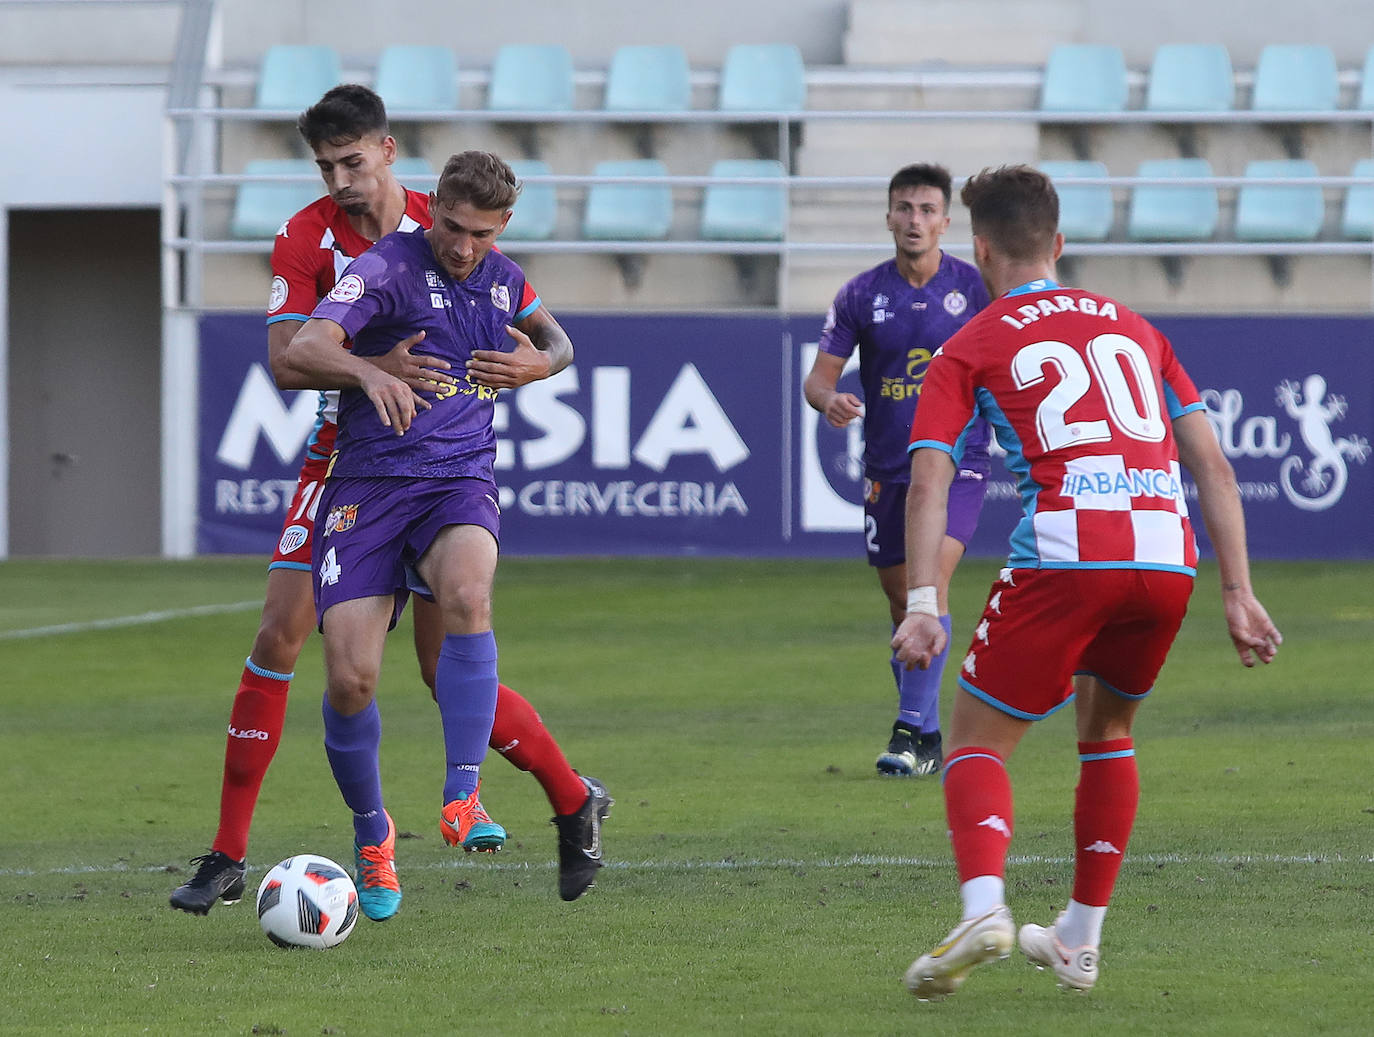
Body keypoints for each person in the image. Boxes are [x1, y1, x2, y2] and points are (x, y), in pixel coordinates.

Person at [170, 87, 610, 916]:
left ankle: (566, 794)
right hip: (345, 460)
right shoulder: (306, 238)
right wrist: (374, 371)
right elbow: (287, 362)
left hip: (440, 468)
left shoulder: (444, 226)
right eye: (325, 165)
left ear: (387, 150)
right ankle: (231, 851)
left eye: (352, 160)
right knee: (290, 637)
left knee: (448, 667)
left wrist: (538, 364)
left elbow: (543, 331)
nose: (339, 178)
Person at [891, 165, 1281, 999]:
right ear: (1059, 244)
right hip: (1165, 555)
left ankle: (983, 909)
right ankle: (1079, 937)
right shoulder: (1137, 328)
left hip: (1070, 551)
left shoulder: (974, 341)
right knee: (1108, 732)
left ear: (979, 246)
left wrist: (924, 601)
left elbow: (928, 479)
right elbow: (1209, 459)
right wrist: (1237, 590)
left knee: (972, 741)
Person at [803, 163, 991, 778]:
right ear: (888, 216)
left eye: (928, 209)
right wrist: (829, 401)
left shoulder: (977, 288)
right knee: (902, 603)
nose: (916, 220)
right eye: (905, 209)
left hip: (960, 460)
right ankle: (931, 733)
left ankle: (908, 731)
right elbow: (818, 378)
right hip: (889, 466)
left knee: (928, 585)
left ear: (945, 220)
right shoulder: (861, 294)